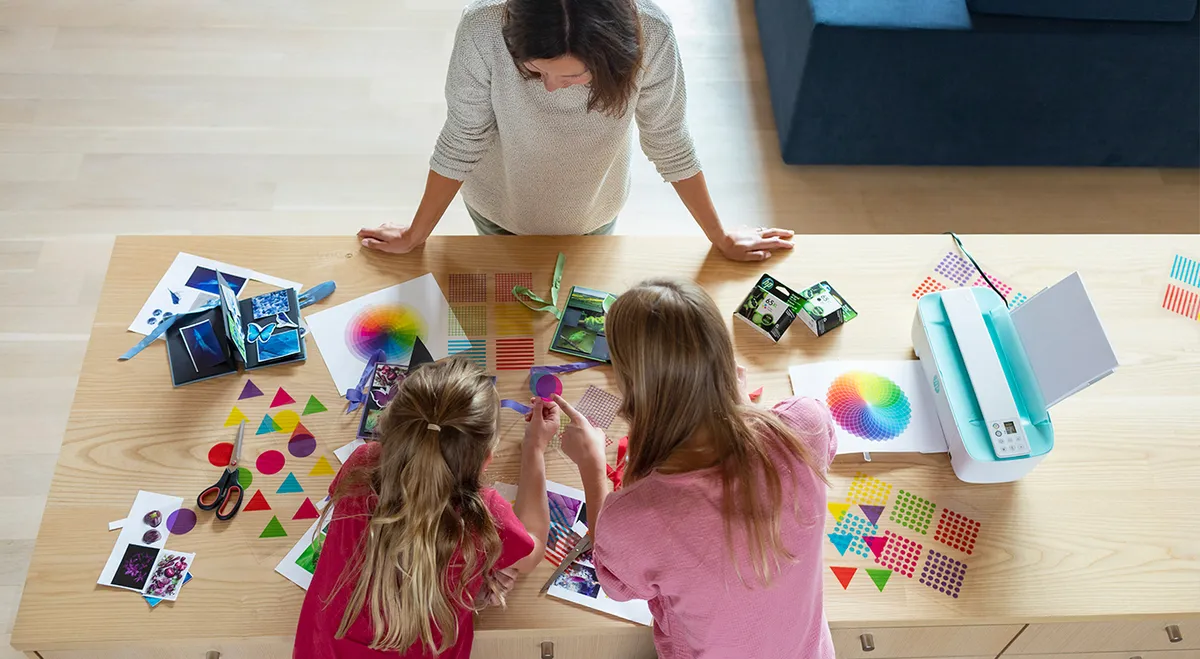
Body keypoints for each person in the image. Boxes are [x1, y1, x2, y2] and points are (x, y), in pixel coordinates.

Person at [356, 0, 795, 262]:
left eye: (570, 78)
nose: (549, 88)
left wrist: (719, 237)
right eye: (535, 69)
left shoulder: (652, 34)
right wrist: (417, 234)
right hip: (498, 205)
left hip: (592, 210)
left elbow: (669, 139)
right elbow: (462, 135)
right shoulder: (483, 27)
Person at [553, 279, 838, 658]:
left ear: (632, 387)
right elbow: (822, 445)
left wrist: (592, 466)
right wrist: (735, 406)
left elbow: (618, 586)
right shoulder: (805, 423)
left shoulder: (638, 517)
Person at [295, 359, 560, 658]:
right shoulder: (484, 516)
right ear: (487, 459)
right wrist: (535, 448)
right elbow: (532, 550)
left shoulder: (361, 463)